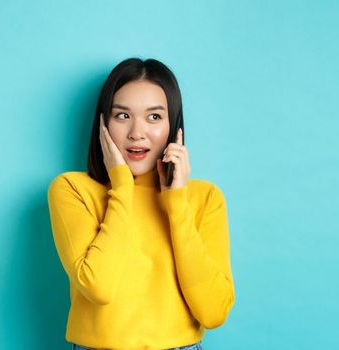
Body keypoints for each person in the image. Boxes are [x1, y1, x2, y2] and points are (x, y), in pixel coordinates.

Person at [47, 58, 234, 350]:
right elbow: (99, 287)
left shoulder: (205, 198)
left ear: (174, 128)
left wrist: (176, 206)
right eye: (122, 116)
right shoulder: (72, 190)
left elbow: (213, 312)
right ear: (103, 124)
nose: (137, 132)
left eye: (154, 117)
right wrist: (122, 186)